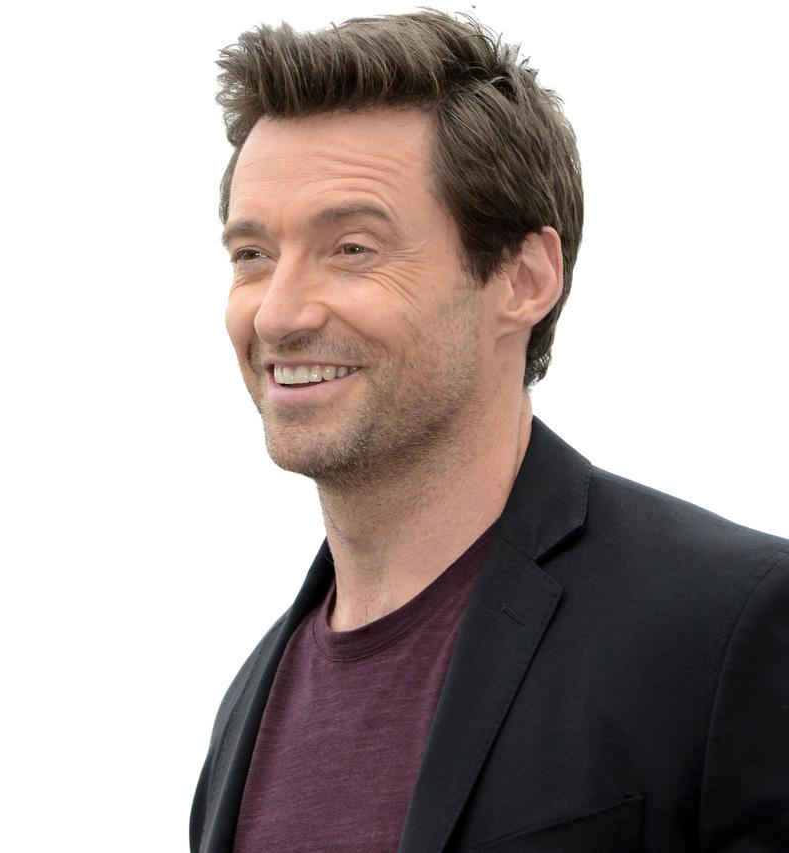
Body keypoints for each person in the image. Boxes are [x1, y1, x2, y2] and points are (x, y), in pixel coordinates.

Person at [190, 11, 789, 853]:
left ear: (524, 277)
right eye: (252, 255)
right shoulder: (246, 714)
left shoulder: (728, 627)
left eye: (352, 248)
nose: (278, 314)